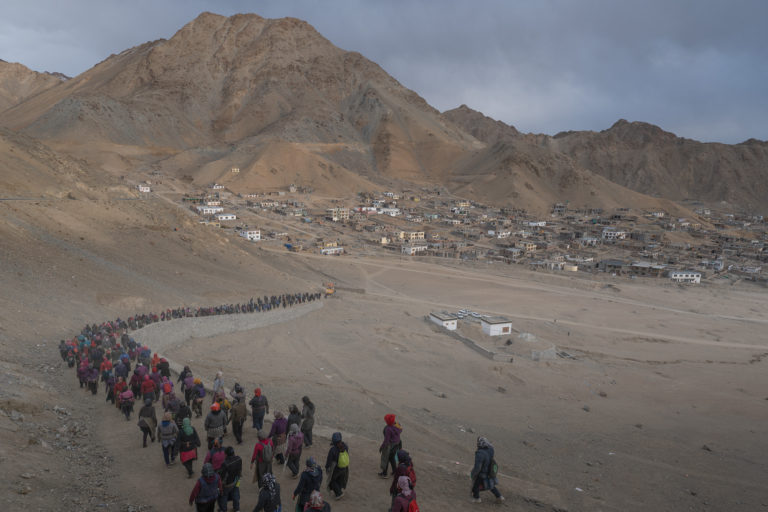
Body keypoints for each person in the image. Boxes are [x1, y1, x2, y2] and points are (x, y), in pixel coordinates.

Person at [470, 436, 504, 503]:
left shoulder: (480, 453)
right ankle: (499, 496)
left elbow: (478, 467)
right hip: (490, 470)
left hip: (483, 472)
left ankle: (477, 498)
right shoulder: (490, 448)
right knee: (490, 485)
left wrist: (473, 474)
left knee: (476, 485)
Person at [324, 432, 349, 500]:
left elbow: (329, 460)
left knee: (332, 480)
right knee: (340, 479)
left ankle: (339, 493)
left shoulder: (332, 450)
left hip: (336, 468)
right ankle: (339, 490)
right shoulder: (345, 446)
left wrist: (327, 467)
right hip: (344, 467)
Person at [218, 446, 242, 512]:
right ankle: (237, 509)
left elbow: (222, 476)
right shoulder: (239, 459)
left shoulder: (225, 464)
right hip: (236, 480)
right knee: (235, 494)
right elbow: (239, 470)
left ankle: (223, 510)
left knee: (223, 496)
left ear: (226, 454)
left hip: (227, 484)